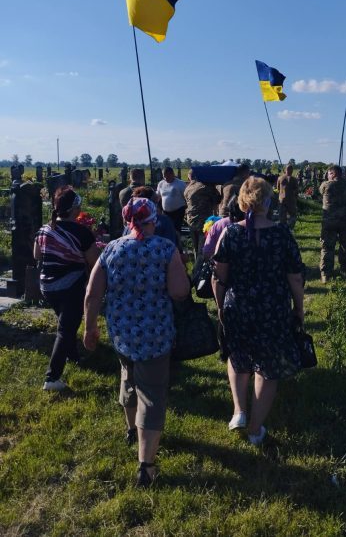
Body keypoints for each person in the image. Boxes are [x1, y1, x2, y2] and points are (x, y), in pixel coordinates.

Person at [83, 197, 190, 487]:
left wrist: (90, 327)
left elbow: (93, 293)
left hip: (122, 333)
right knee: (152, 395)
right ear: (153, 219)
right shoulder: (166, 249)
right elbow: (179, 292)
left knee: (128, 376)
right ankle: (146, 465)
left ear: (126, 220)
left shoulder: (112, 249)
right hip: (155, 334)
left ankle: (131, 429)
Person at [212, 177, 305, 445]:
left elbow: (219, 276)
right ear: (268, 201)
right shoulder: (282, 233)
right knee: (268, 366)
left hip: (238, 306)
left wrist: (221, 307)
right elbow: (295, 278)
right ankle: (255, 428)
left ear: (241, 201)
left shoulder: (230, 233)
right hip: (272, 308)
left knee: (238, 356)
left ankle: (239, 411)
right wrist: (299, 309)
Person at [33, 187, 99, 391]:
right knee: (65, 329)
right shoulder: (81, 232)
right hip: (71, 286)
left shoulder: (45, 229)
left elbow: (37, 255)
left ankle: (73, 356)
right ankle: (52, 378)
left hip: (47, 286)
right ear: (75, 208)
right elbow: (94, 261)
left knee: (66, 323)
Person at [319, 165, 346, 284]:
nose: (327, 175)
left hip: (329, 222)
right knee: (345, 246)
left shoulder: (326, 185)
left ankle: (326, 274)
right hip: (345, 221)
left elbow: (320, 192)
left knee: (327, 247)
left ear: (333, 174)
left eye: (329, 173)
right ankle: (345, 269)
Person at [184, 169, 221, 259]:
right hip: (203, 222)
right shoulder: (206, 187)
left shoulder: (188, 188)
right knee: (203, 248)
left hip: (191, 221)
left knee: (196, 248)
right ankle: (199, 270)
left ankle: (197, 265)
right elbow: (218, 199)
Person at [157, 167, 186, 232]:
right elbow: (158, 196)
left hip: (178, 212)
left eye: (168, 176)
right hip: (165, 213)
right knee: (166, 230)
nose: (166, 178)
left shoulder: (180, 184)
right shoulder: (161, 184)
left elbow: (186, 197)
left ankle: (177, 242)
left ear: (172, 174)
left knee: (176, 230)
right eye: (164, 176)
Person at [276, 164, 299, 229]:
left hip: (281, 199)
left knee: (282, 216)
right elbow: (296, 190)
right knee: (293, 215)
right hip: (291, 200)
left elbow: (278, 188)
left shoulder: (280, 178)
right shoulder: (294, 179)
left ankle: (283, 228)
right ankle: (289, 228)